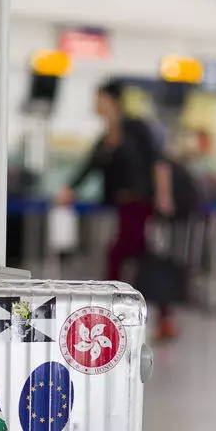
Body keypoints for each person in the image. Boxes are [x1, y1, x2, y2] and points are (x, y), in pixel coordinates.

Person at [58, 80, 175, 337]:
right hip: (122, 208)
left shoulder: (136, 129)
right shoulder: (105, 139)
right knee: (129, 257)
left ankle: (117, 312)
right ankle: (119, 313)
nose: (95, 104)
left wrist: (163, 198)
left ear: (111, 101)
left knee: (130, 257)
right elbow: (89, 166)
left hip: (142, 206)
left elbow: (159, 162)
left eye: (99, 98)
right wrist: (69, 189)